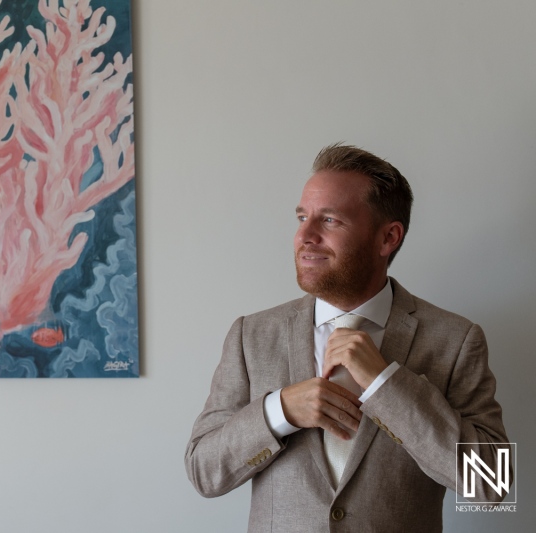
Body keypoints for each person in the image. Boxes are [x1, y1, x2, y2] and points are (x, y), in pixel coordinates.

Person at [185, 144, 510, 532]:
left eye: (330, 221)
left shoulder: (456, 339)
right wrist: (280, 411)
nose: (304, 235)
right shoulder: (251, 336)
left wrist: (386, 384)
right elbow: (203, 472)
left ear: (387, 238)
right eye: (302, 217)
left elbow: (492, 484)